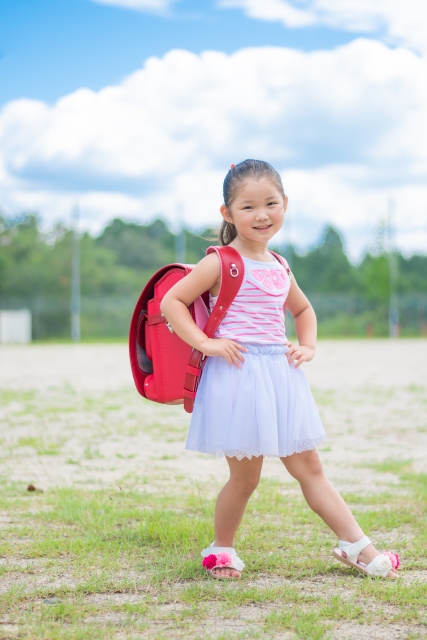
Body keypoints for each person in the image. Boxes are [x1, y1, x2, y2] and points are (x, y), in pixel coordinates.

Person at [161, 159, 399, 581]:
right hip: (238, 377)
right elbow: (172, 303)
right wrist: (205, 342)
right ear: (227, 213)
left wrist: (307, 345)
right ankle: (222, 549)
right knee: (246, 476)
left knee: (310, 468)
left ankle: (357, 546)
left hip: (281, 378)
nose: (261, 214)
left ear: (285, 204)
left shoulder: (281, 266)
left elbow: (303, 309)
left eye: (271, 203)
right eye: (248, 206)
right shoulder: (221, 261)